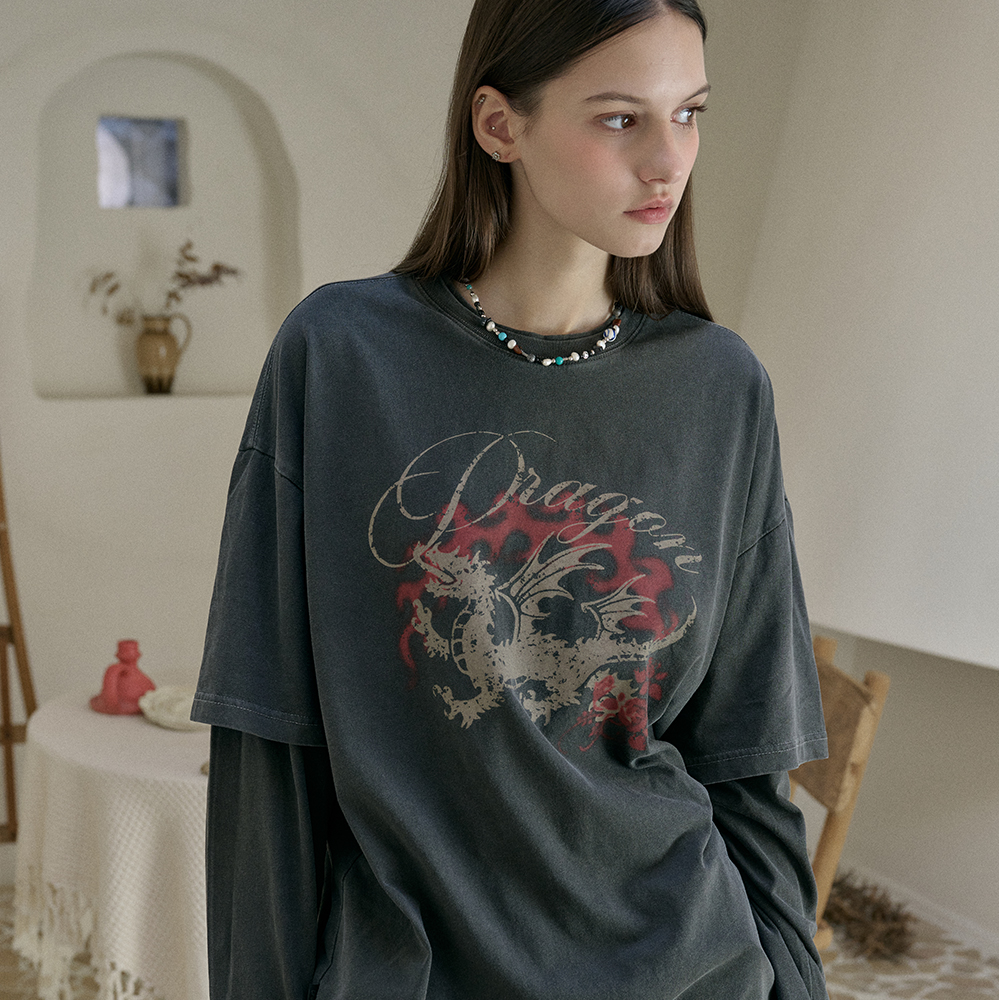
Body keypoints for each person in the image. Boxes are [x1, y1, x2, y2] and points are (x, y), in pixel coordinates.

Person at [192, 0, 831, 997]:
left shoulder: (720, 388)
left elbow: (745, 753)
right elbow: (269, 732)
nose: (668, 159)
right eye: (619, 118)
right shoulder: (342, 357)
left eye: (689, 113)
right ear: (500, 125)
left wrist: (796, 983)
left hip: (684, 965)